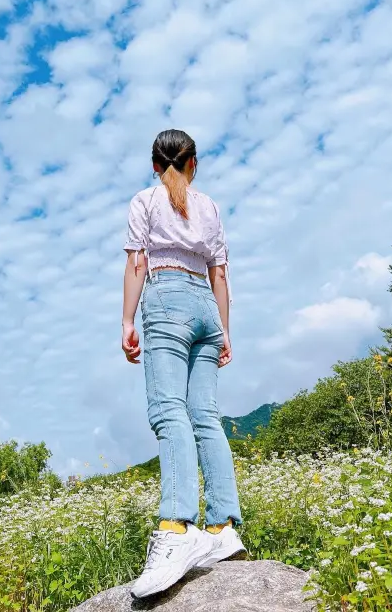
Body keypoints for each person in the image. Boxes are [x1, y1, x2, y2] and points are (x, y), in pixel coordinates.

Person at [122, 129, 246, 598]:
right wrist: (225, 331)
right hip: (206, 309)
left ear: (156, 165)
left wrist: (127, 320)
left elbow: (137, 264)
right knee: (206, 418)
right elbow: (221, 273)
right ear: (193, 163)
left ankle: (176, 527)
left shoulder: (144, 201)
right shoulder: (210, 207)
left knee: (167, 411)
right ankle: (223, 527)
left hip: (167, 297)